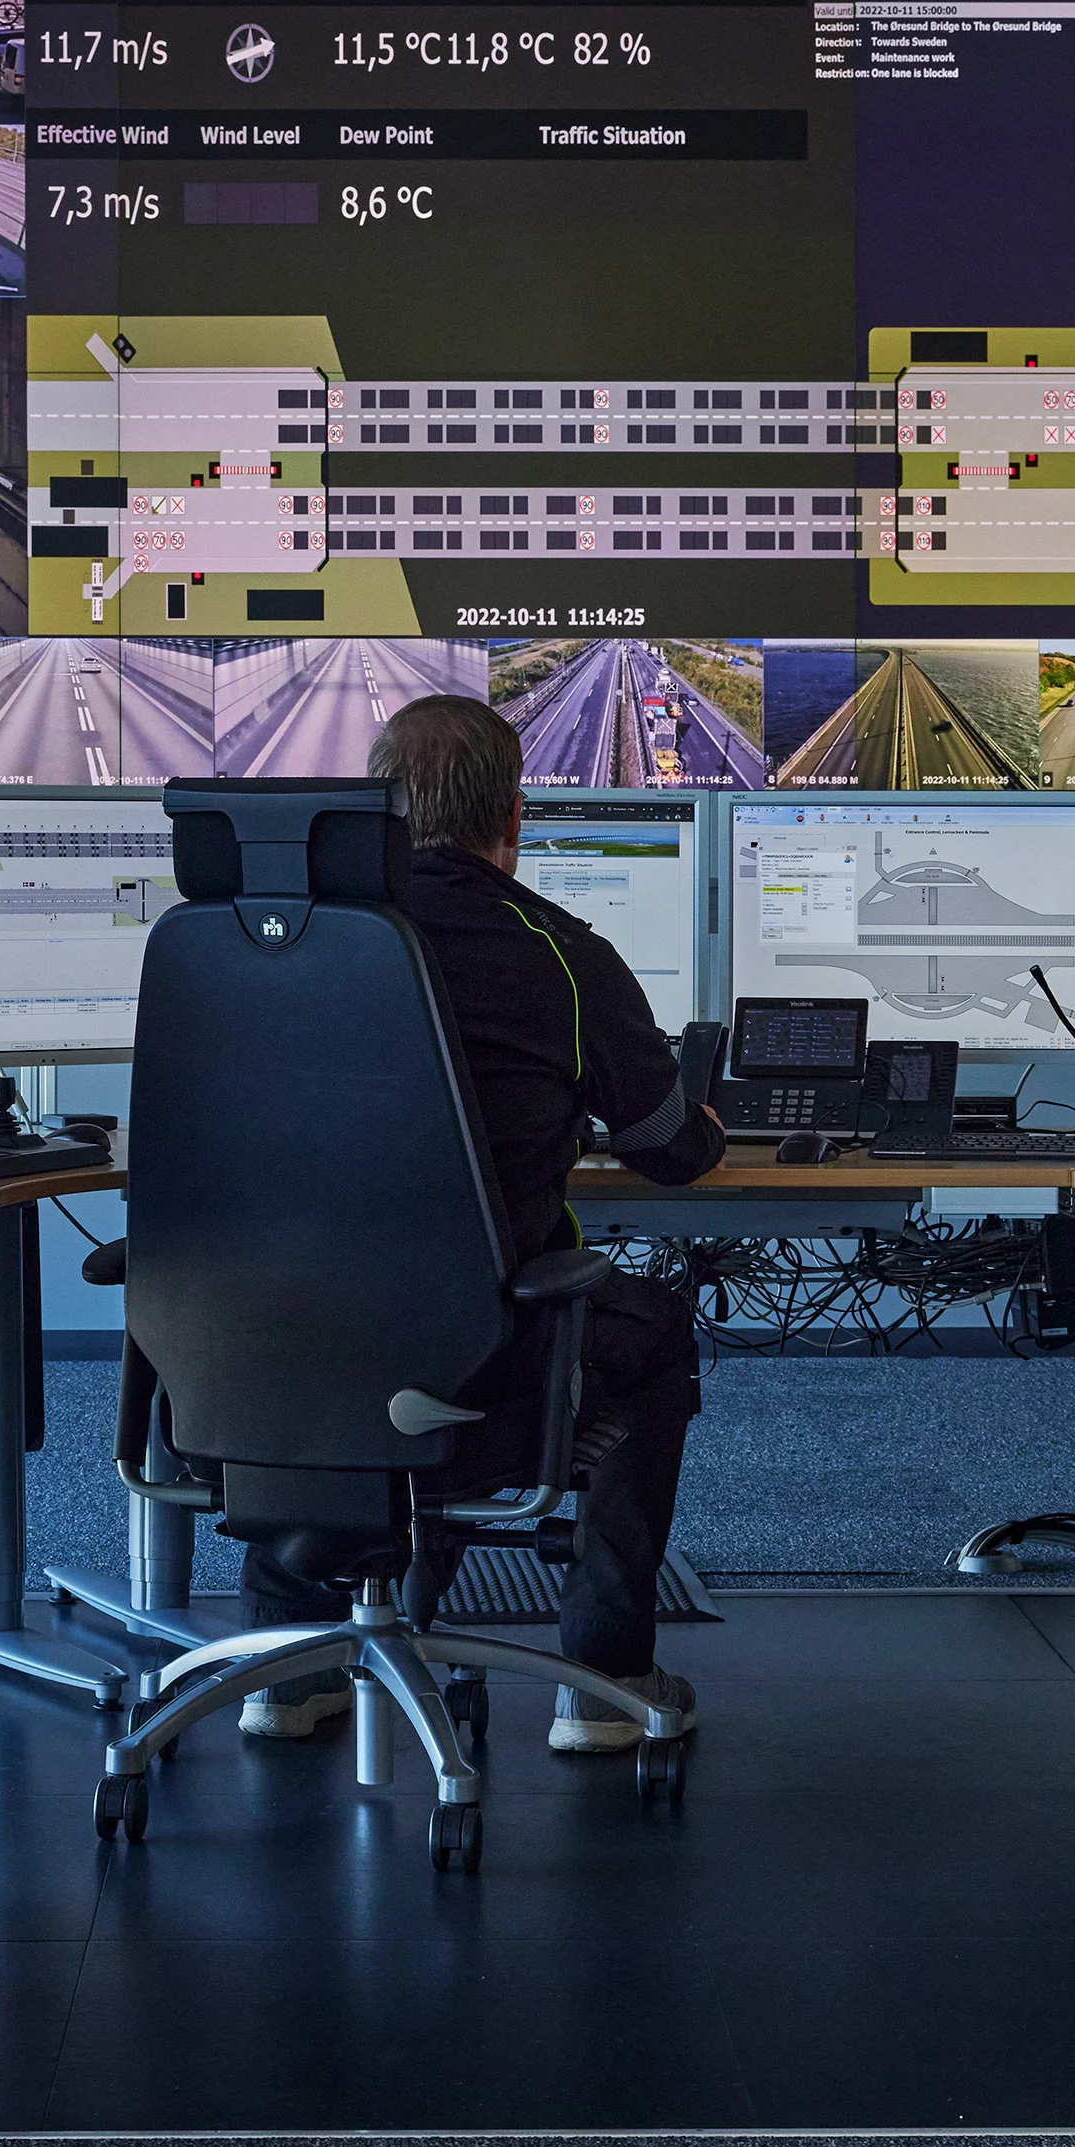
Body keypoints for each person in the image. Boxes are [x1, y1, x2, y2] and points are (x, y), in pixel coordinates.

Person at [234, 694, 728, 1753]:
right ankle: (604, 1678)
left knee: (337, 1326)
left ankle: (287, 1660)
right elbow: (669, 1151)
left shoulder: (265, 945)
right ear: (515, 814)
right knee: (653, 1334)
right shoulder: (559, 950)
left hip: (265, 1349)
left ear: (376, 808)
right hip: (485, 1356)